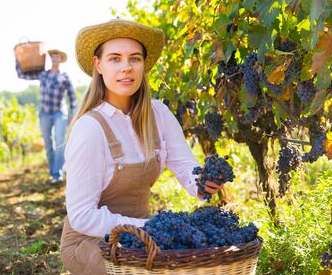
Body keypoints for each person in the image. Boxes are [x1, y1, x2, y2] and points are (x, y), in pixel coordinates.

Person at [60, 19, 224, 275]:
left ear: (143, 65)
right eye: (115, 59)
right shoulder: (89, 129)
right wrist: (148, 228)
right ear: (98, 64)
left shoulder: (159, 114)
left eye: (134, 59)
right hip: (93, 241)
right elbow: (82, 216)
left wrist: (203, 182)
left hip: (142, 238)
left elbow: (185, 165)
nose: (126, 68)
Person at [16, 49, 76, 183]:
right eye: (53, 56)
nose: (55, 59)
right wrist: (17, 59)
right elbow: (22, 75)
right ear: (50, 59)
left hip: (60, 113)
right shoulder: (43, 75)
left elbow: (72, 97)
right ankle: (53, 171)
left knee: (60, 141)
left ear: (61, 60)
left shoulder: (65, 77)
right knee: (49, 144)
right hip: (44, 113)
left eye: (57, 57)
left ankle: (57, 174)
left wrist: (72, 114)